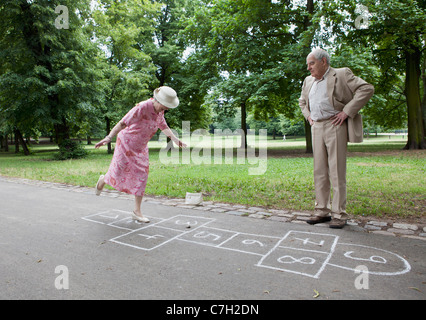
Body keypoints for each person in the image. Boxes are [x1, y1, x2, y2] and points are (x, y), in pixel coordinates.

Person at [299, 48, 374, 229]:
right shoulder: (308, 81)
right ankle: (321, 211)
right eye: (308, 64)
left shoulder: (341, 74)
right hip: (316, 126)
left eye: (312, 63)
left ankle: (339, 214)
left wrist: (346, 112)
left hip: (335, 125)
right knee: (319, 172)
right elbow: (302, 101)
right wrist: (308, 116)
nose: (309, 68)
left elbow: (366, 88)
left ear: (323, 61)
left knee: (336, 171)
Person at [95, 86, 187, 223]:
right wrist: (109, 137)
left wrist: (175, 139)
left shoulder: (160, 112)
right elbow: (122, 123)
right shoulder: (142, 107)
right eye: (165, 106)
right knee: (118, 172)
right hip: (126, 144)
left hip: (141, 147)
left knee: (142, 176)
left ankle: (136, 212)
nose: (166, 109)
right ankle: (103, 180)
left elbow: (164, 126)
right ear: (157, 100)